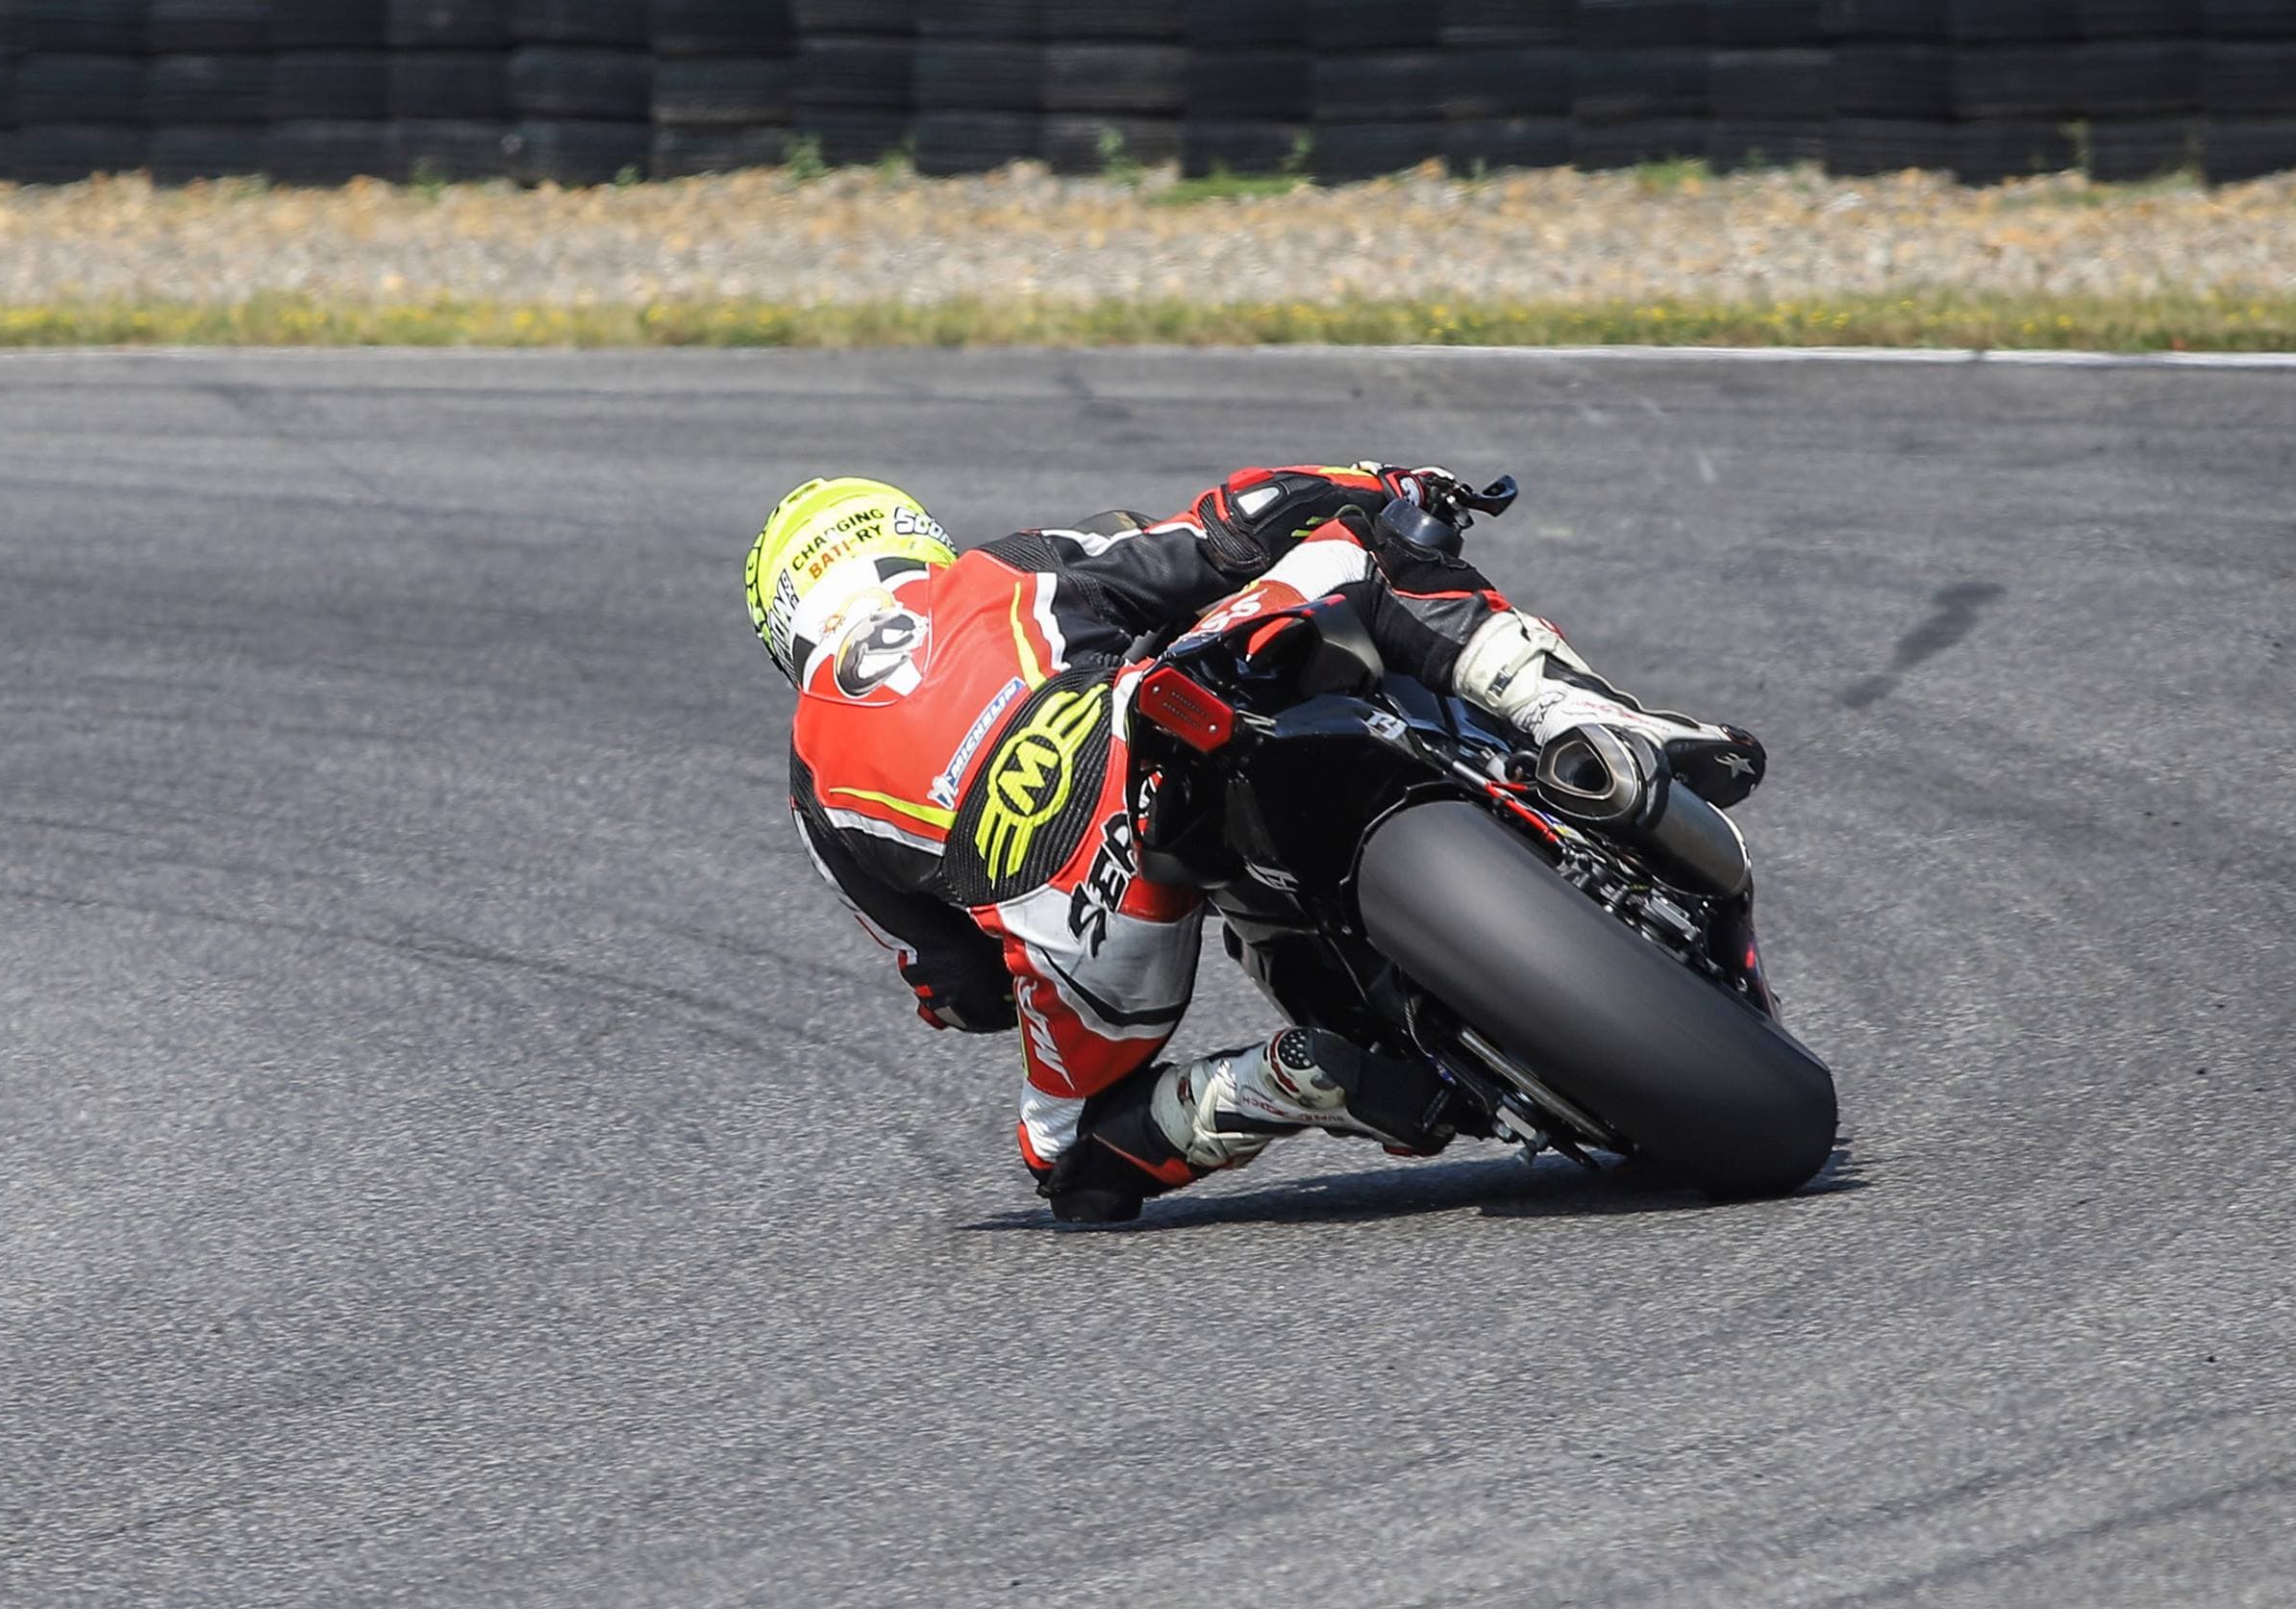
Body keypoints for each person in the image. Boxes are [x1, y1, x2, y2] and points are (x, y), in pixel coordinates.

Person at [746, 465, 1765, 1225]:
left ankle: (1274, 1082)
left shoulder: (813, 776)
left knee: (1065, 1161)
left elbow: (961, 988)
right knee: (1357, 542)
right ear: (906, 538)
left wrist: (977, 972)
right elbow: (1209, 544)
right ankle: (1591, 727)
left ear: (787, 625)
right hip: (1138, 720)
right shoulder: (999, 569)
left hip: (1087, 926)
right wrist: (1379, 485)